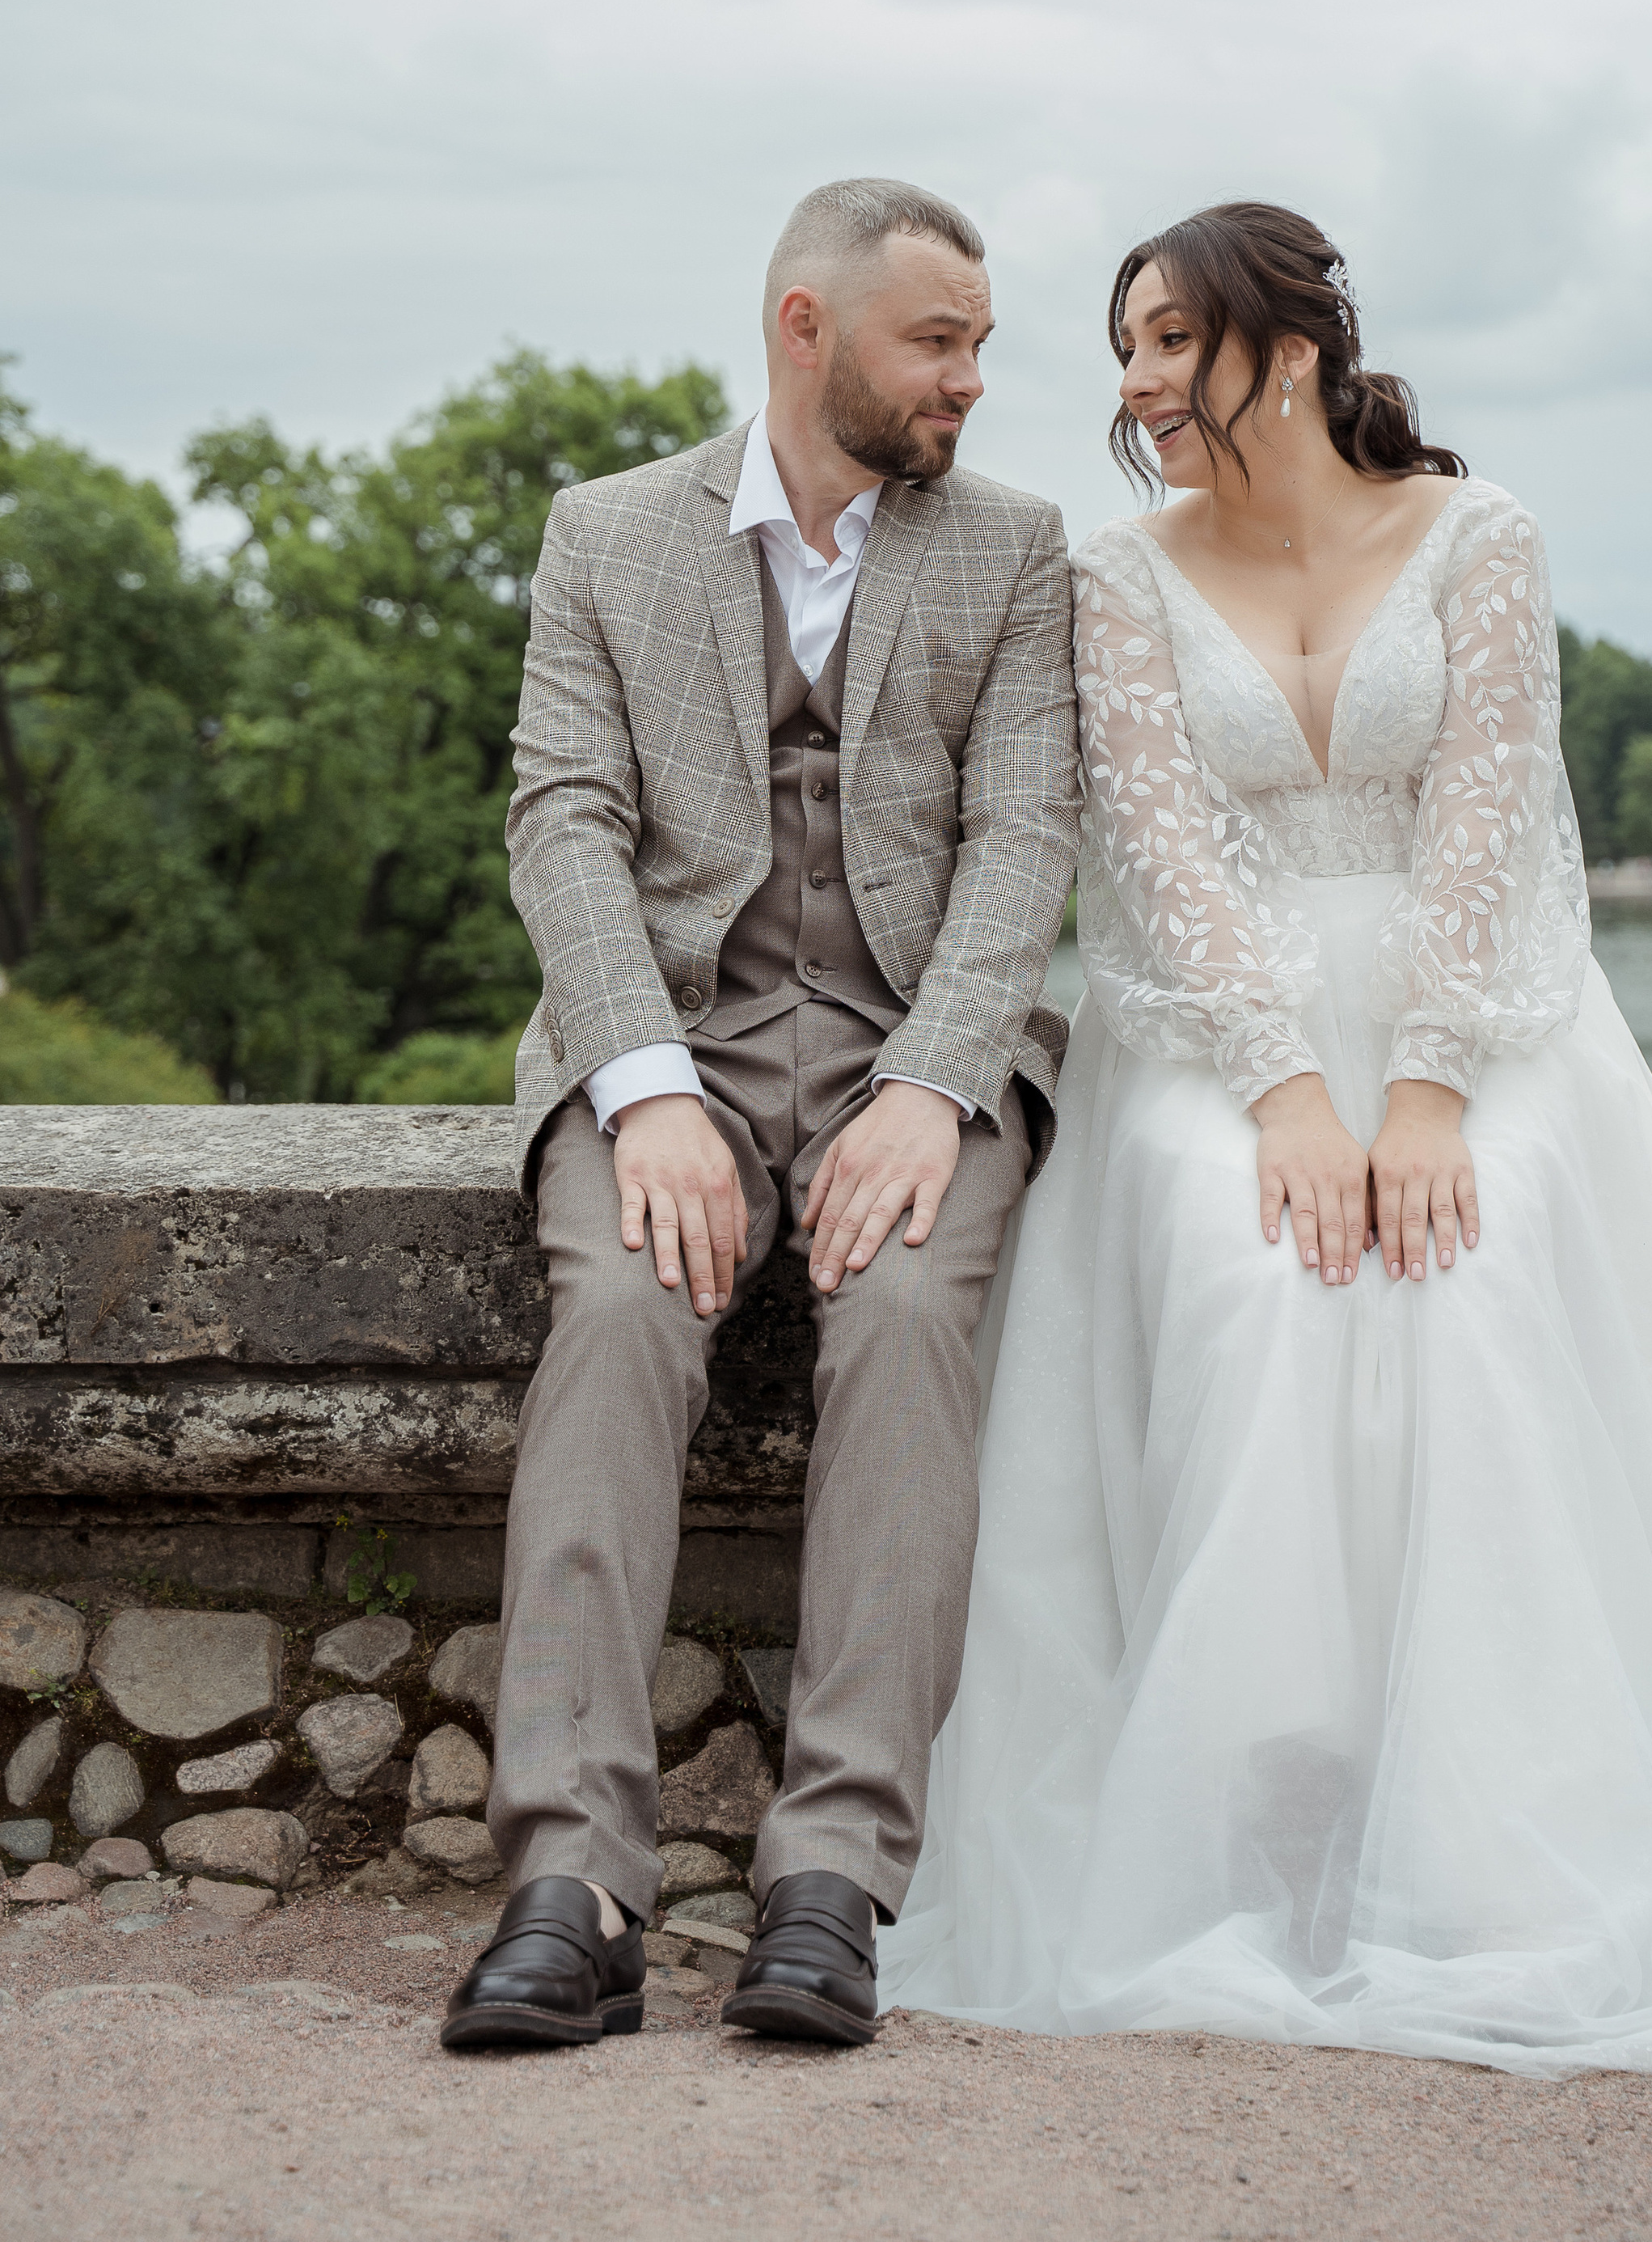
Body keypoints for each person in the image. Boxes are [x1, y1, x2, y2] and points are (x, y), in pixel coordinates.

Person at [877, 201, 1652, 2093]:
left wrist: (1422, 1090)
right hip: (1214, 1030)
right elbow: (1158, 868)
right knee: (1253, 1271)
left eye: (1169, 340)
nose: (1133, 383)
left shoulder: (1478, 538)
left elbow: (1493, 832)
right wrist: (1283, 1095)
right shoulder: (1115, 574)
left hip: (1478, 1010)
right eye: (1124, 350)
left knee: (1479, 1266)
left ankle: (1510, 1860)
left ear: (1290, 344)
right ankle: (1253, 1835)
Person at [443, 180, 1078, 2053]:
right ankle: (570, 1882)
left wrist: (936, 1080)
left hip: (914, 1045)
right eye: (935, 340)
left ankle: (832, 1880)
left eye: (978, 341)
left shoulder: (1014, 551)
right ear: (806, 328)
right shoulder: (606, 536)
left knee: (899, 1319)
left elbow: (1020, 837)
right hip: (671, 1046)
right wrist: (641, 1093)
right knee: (623, 1319)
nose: (969, 377)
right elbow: (561, 818)